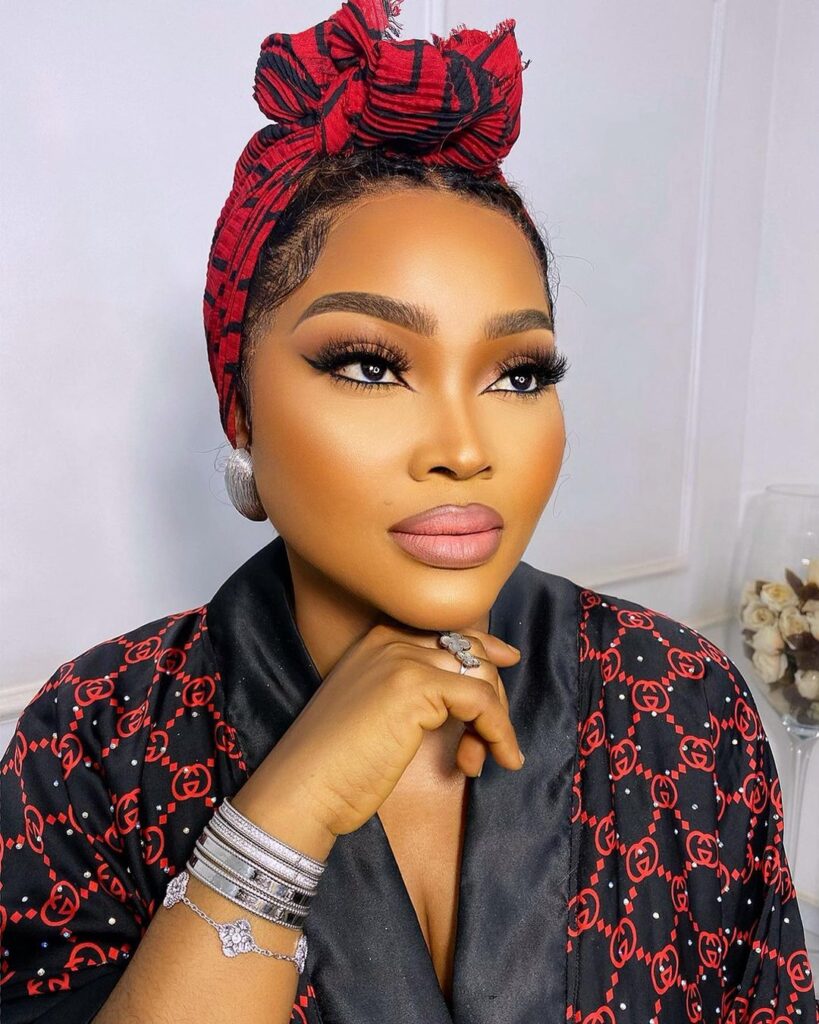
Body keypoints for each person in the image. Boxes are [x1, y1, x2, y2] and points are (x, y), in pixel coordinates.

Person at [1, 0, 817, 1021]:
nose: (465, 449)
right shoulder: (98, 738)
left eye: (518, 374)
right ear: (240, 407)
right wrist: (288, 806)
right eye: (370, 365)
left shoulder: (676, 698)